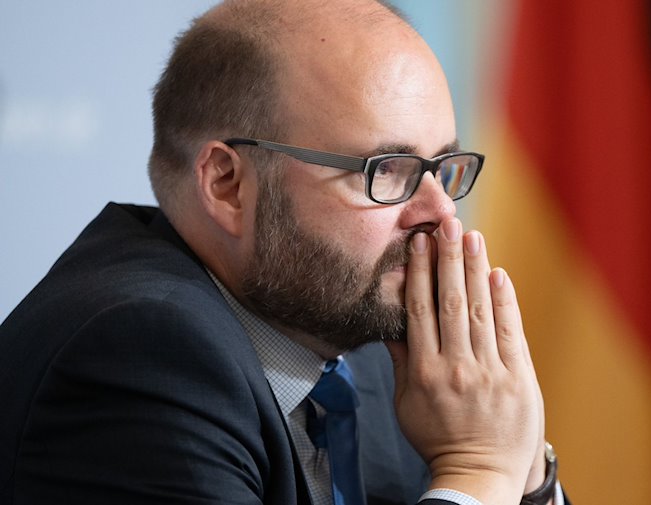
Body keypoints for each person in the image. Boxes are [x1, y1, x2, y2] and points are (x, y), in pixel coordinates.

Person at [0, 1, 565, 504]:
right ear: (228, 185)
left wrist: (522, 465)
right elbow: (473, 472)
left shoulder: (372, 349)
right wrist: (480, 469)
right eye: (386, 171)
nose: (441, 215)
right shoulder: (137, 354)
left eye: (442, 168)